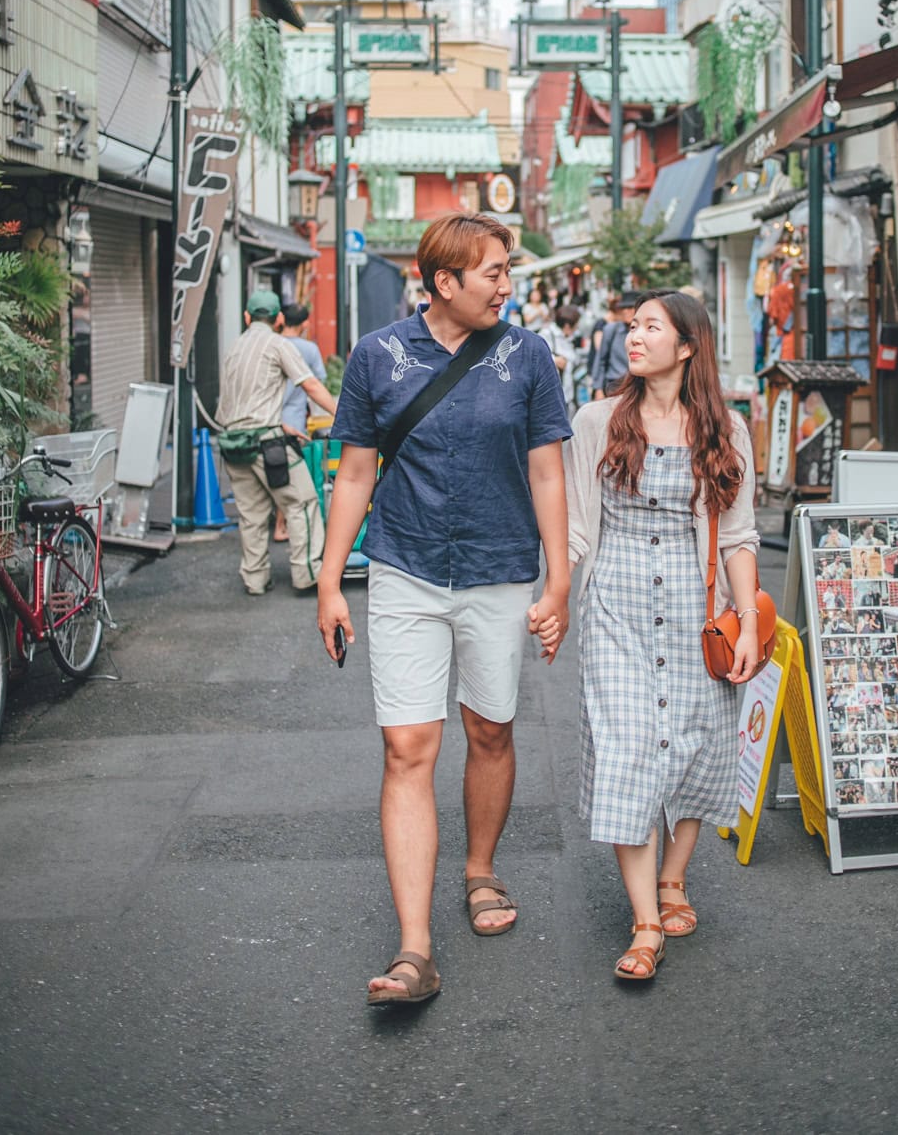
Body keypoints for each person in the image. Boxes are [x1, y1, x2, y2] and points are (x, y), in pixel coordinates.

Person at [315, 213, 573, 1006]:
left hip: (499, 570)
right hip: (405, 568)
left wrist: (557, 583)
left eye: (507, 270)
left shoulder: (528, 356)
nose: (507, 284)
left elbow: (548, 475)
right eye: (492, 272)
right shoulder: (378, 356)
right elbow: (355, 472)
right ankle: (414, 948)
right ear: (443, 283)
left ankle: (480, 869)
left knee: (490, 728)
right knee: (407, 747)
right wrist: (330, 582)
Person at [564, 289, 761, 982]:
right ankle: (646, 921)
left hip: (692, 607)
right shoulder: (596, 421)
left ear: (687, 347)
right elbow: (579, 526)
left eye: (651, 326)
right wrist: (555, 597)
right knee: (626, 752)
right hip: (615, 608)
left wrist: (746, 625)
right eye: (633, 324)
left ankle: (675, 877)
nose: (633, 335)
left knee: (698, 745)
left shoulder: (726, 431)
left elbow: (736, 535)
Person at [215, 289, 337, 597]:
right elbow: (309, 384)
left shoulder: (233, 349)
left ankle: (255, 580)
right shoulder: (277, 344)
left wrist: (280, 423)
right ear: (279, 319)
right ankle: (307, 573)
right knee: (302, 502)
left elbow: (236, 407)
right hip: (268, 445)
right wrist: (346, 414)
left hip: (232, 443)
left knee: (252, 513)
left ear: (246, 317)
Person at [274, 302, 330, 544]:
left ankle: (277, 523)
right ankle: (281, 526)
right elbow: (318, 381)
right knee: (288, 475)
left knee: (272, 471)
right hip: (294, 418)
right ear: (305, 323)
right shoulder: (308, 349)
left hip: (267, 417)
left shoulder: (271, 344)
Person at [590, 292, 639, 399]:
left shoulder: (643, 333)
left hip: (637, 386)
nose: (626, 311)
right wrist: (598, 388)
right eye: (623, 308)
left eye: (630, 307)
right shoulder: (611, 329)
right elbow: (601, 359)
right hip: (614, 385)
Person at [539, 303, 581, 415]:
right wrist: (554, 360)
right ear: (567, 326)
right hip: (551, 397)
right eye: (575, 325)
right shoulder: (547, 334)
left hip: (567, 395)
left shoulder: (570, 337)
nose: (577, 328)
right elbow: (536, 357)